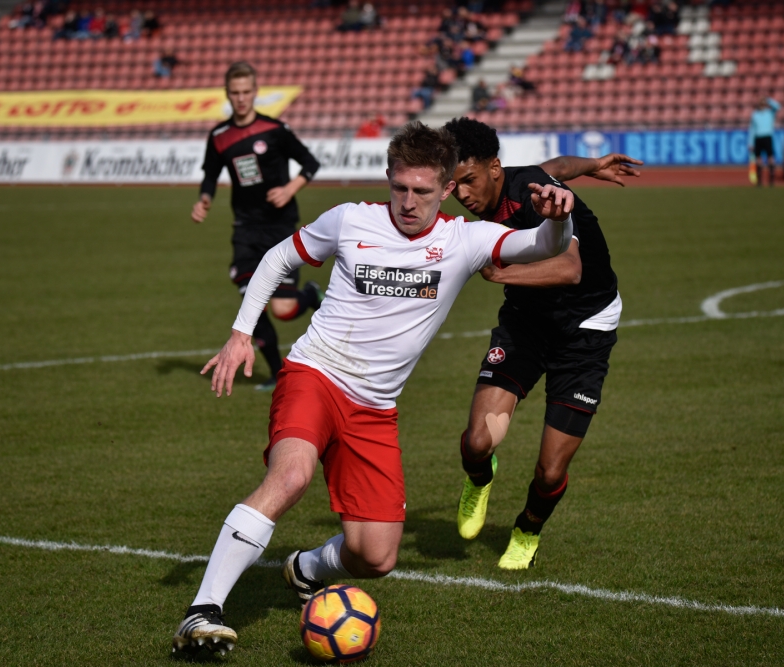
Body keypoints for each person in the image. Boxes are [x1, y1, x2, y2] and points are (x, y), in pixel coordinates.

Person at [171, 121, 576, 657]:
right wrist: (241, 333)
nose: (408, 202)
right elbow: (279, 258)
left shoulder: (465, 239)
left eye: (422, 191)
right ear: (388, 177)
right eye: (399, 187)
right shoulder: (349, 219)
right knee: (290, 476)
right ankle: (203, 611)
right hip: (315, 375)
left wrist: (560, 218)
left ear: (447, 189)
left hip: (375, 408)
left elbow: (543, 244)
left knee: (376, 556)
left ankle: (305, 568)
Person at [443, 117, 636, 570]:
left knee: (550, 471)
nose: (462, 194)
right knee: (477, 443)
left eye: (468, 180)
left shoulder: (533, 198)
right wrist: (593, 164)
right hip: (526, 323)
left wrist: (500, 274)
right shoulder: (512, 181)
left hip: (586, 330)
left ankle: (527, 531)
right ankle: (480, 478)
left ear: (493, 168)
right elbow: (556, 166)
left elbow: (570, 269)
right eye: (455, 185)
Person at [193, 62, 324, 391]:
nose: (240, 98)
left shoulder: (275, 129)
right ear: (228, 94)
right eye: (235, 93)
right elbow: (210, 174)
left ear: (255, 93)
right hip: (246, 229)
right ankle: (277, 374)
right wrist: (204, 199)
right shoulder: (219, 136)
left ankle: (309, 294)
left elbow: (310, 162)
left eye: (246, 92)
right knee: (251, 302)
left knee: (283, 309)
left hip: (279, 227)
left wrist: (289, 189)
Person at [749, 96, 780, 187]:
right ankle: (759, 181)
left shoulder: (770, 113)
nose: (762, 106)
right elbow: (752, 129)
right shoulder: (755, 114)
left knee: (770, 158)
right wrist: (751, 143)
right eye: (761, 104)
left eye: (763, 104)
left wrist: (768, 100)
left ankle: (771, 180)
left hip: (767, 137)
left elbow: (778, 106)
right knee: (758, 159)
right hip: (758, 138)